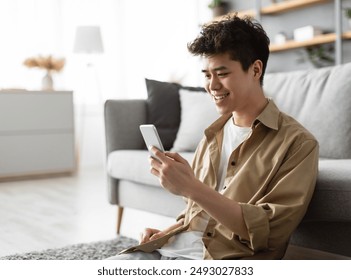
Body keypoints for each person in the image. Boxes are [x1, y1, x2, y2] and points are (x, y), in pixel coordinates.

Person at [107, 14, 319, 260]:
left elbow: (269, 234)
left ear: (255, 69)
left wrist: (191, 187)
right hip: (171, 251)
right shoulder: (212, 136)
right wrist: (166, 233)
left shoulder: (297, 144)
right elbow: (196, 215)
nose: (212, 85)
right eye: (207, 75)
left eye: (222, 73)